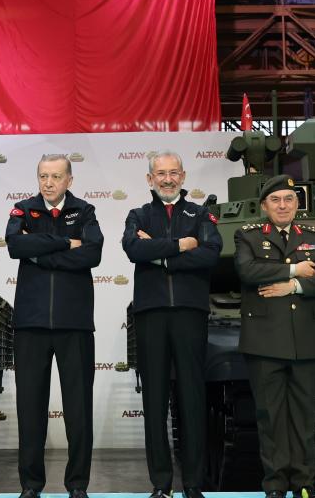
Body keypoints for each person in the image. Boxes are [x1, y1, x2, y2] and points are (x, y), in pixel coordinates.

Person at [121, 151, 222, 498]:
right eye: (160, 173)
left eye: (173, 173)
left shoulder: (201, 214)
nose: (167, 179)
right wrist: (180, 247)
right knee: (154, 399)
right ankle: (160, 484)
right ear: (150, 179)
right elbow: (133, 249)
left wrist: (161, 257)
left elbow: (210, 253)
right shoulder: (138, 215)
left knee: (192, 396)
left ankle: (193, 483)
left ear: (183, 176)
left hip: (190, 314)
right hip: (151, 314)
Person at [4, 154, 104, 498]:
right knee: (30, 409)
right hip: (30, 324)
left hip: (74, 323)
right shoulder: (23, 209)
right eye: (43, 176)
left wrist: (39, 253)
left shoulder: (85, 211)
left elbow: (92, 254)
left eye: (56, 176)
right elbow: (16, 245)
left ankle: (77, 485)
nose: (48, 183)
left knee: (79, 410)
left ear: (69, 180)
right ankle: (31, 485)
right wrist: (64, 243)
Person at [234, 175, 315, 498]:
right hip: (265, 340)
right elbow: (247, 271)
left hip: (305, 339)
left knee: (305, 416)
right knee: (271, 417)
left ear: (297, 204)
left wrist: (292, 286)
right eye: (276, 200)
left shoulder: (314, 237)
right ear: (264, 206)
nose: (283, 206)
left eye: (289, 199)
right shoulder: (248, 235)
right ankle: (276, 484)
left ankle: (304, 483)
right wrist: (295, 270)